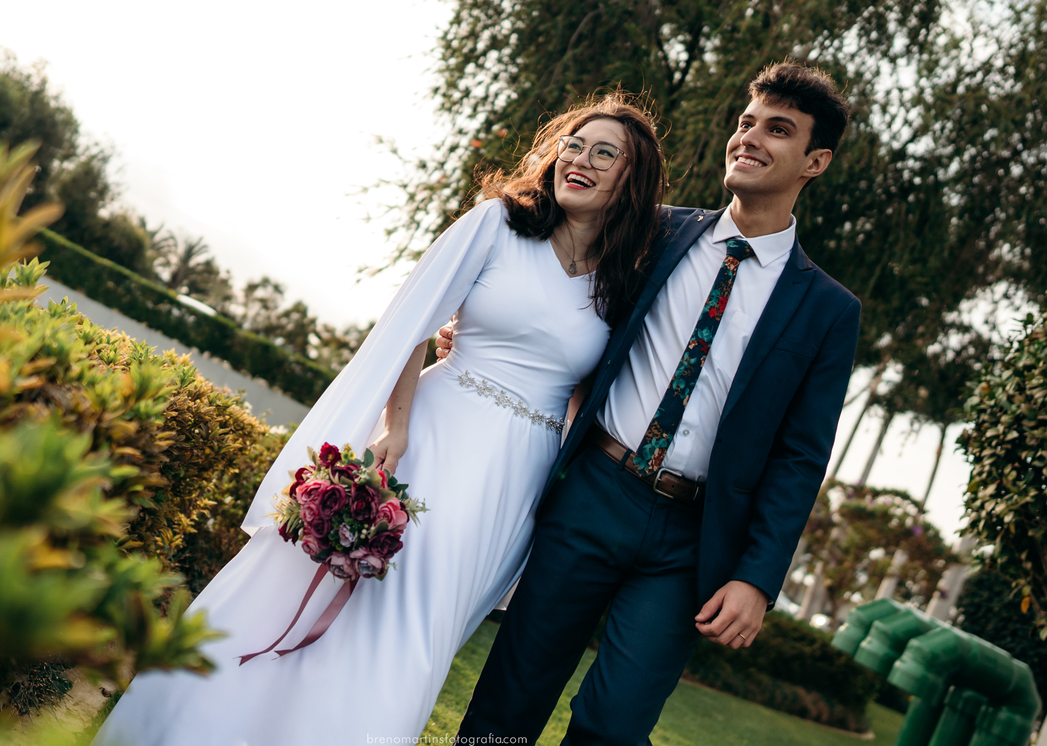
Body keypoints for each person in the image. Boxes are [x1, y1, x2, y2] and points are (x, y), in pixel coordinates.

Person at [93, 92, 667, 746]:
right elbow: (413, 324)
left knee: (422, 637)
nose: (581, 161)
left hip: (514, 484)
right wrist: (394, 426)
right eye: (574, 144)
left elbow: (590, 392)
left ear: (632, 180)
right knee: (359, 606)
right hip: (434, 437)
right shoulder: (496, 224)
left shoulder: (620, 283)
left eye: (604, 154)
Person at [444, 62, 862, 745]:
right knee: (508, 703)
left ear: (815, 161)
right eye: (746, 123)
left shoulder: (827, 311)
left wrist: (757, 577)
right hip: (591, 493)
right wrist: (484, 337)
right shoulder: (653, 233)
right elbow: (561, 296)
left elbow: (800, 456)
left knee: (614, 726)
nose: (750, 139)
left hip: (690, 543)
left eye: (777, 131)